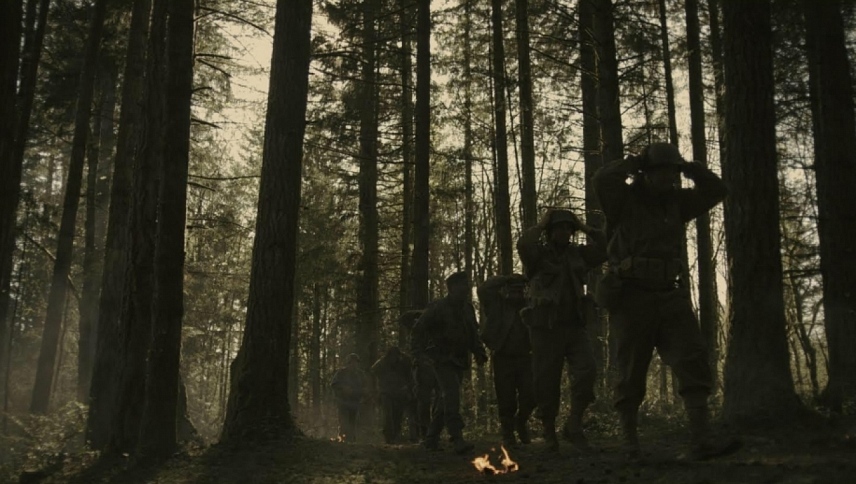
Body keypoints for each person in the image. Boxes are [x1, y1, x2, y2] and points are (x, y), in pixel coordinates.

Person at [593, 142, 738, 460]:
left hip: (669, 294)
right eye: (661, 172)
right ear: (646, 173)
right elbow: (603, 179)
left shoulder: (677, 202)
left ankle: (701, 439)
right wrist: (630, 163)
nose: (668, 179)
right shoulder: (623, 199)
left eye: (673, 173)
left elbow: (717, 190)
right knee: (631, 369)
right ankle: (630, 442)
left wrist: (690, 168)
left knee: (692, 359)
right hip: (631, 296)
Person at [517, 208, 607, 452]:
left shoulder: (579, 254)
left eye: (568, 228)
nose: (564, 232)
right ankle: (548, 432)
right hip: (545, 328)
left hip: (574, 326)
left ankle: (574, 424)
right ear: (550, 232)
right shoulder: (537, 255)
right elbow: (523, 243)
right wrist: (542, 222)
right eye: (559, 228)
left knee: (587, 371)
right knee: (546, 381)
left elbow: (606, 247)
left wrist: (585, 227)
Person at [410, 271, 489, 454]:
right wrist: (419, 355)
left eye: (467, 286)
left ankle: (431, 439)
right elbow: (418, 330)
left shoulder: (468, 308)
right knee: (451, 395)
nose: (467, 289)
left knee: (446, 400)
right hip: (441, 359)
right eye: (462, 286)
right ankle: (457, 438)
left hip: (459, 360)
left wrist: (479, 351)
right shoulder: (438, 308)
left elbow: (472, 334)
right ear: (452, 288)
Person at [477, 274, 536, 448]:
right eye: (512, 290)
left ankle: (521, 422)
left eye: (519, 290)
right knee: (506, 398)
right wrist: (506, 278)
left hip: (526, 357)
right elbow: (483, 289)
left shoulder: (530, 305)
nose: (516, 294)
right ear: (506, 291)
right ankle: (508, 434)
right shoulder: (497, 304)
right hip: (503, 357)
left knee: (531, 395)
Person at [371, 346, 414, 444]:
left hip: (400, 394)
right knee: (388, 416)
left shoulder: (404, 364)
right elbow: (373, 371)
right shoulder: (382, 363)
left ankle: (396, 436)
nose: (394, 358)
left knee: (398, 416)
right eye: (392, 355)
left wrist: (407, 388)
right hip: (386, 393)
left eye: (396, 355)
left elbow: (410, 377)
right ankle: (389, 437)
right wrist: (376, 390)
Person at [330, 353, 368, 442]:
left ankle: (351, 440)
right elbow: (334, 384)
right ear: (348, 363)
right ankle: (342, 439)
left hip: (355, 402)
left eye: (356, 362)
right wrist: (343, 389)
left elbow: (365, 387)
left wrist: (363, 393)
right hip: (343, 402)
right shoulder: (341, 373)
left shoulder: (360, 374)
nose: (354, 364)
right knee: (343, 422)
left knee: (353, 422)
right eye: (352, 362)